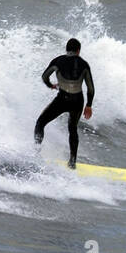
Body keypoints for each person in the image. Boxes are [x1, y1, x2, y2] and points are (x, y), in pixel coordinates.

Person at [35, 38, 95, 169]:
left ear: (66, 49)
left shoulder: (58, 61)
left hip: (62, 99)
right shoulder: (84, 64)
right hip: (78, 101)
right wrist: (89, 105)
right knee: (72, 129)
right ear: (78, 51)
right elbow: (90, 88)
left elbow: (44, 76)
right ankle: (72, 162)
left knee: (40, 123)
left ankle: (36, 154)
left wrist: (50, 85)